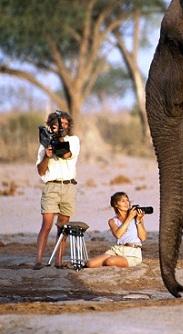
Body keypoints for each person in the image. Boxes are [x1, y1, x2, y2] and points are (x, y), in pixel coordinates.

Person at [34, 111, 80, 270]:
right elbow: (40, 171)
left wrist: (56, 143)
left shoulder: (73, 140)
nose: (62, 128)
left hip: (69, 186)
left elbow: (66, 155)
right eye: (58, 125)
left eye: (65, 125)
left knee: (63, 226)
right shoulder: (44, 144)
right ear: (51, 126)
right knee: (46, 224)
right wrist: (47, 156)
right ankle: (38, 261)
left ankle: (58, 261)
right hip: (51, 186)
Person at [86, 192, 147, 268]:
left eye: (127, 200)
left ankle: (113, 260)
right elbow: (118, 234)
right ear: (116, 204)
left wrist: (138, 221)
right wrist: (129, 217)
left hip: (133, 253)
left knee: (110, 261)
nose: (126, 203)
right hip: (117, 250)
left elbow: (143, 237)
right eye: (122, 201)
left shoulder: (136, 217)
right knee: (90, 264)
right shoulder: (112, 221)